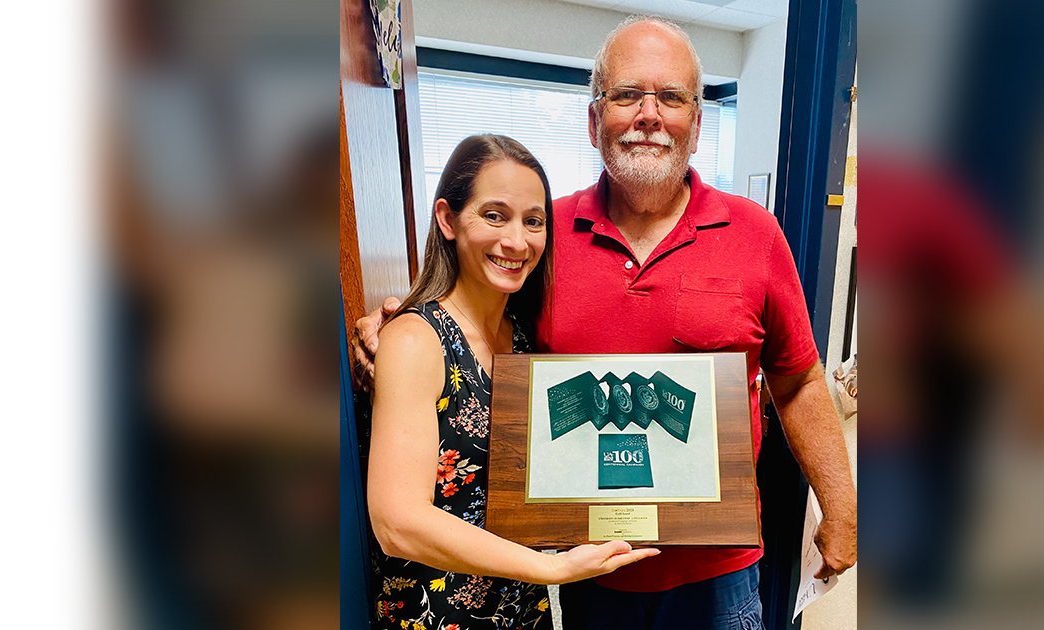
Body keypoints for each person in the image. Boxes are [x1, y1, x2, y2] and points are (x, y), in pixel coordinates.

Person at [354, 18, 857, 629]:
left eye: (671, 97)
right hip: (590, 571)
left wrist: (843, 504)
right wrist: (392, 321)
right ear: (594, 123)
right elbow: (469, 316)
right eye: (626, 96)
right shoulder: (543, 235)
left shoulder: (757, 234)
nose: (649, 114)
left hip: (718, 573)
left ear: (696, 125)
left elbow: (798, 379)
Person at [365, 134, 658, 630]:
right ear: (447, 219)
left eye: (533, 221)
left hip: (520, 611)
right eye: (494, 215)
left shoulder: (523, 338)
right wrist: (553, 567)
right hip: (439, 615)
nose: (517, 242)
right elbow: (398, 523)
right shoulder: (416, 339)